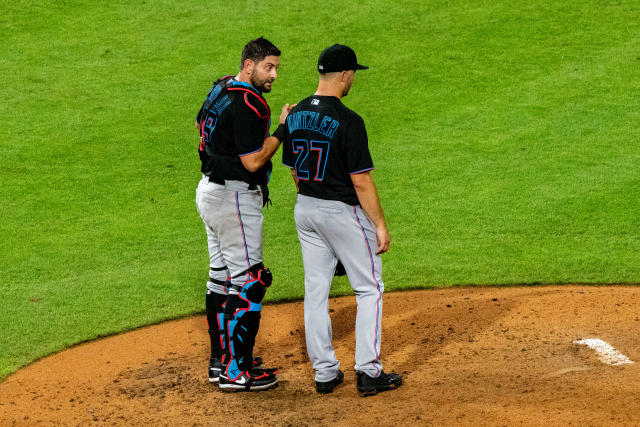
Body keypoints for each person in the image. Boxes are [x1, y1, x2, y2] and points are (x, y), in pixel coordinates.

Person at [281, 44, 403, 396]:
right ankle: (369, 371)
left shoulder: (297, 113)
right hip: (342, 213)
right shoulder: (349, 121)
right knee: (369, 288)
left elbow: (293, 171)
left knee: (315, 291)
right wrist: (379, 225)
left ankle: (324, 373)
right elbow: (361, 180)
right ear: (346, 75)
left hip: (306, 209)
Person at [195, 37, 292, 392]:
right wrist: (282, 129)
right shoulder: (252, 105)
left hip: (208, 191)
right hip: (233, 198)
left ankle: (220, 362)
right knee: (250, 282)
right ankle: (238, 372)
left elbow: (199, 127)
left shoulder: (219, 87)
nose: (274, 75)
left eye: (277, 68)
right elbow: (253, 161)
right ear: (249, 65)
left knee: (220, 278)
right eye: (269, 67)